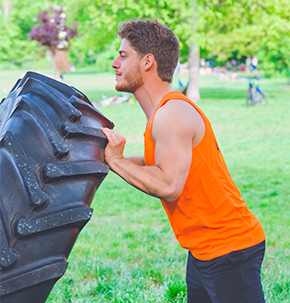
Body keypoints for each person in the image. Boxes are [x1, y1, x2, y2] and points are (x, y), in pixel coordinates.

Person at [101, 19, 266, 303]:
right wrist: (109, 158)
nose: (115, 63)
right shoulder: (164, 113)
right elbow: (161, 161)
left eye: (123, 55)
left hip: (230, 248)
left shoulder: (172, 114)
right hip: (203, 250)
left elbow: (168, 185)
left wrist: (116, 162)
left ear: (148, 62)